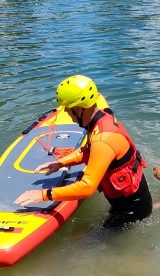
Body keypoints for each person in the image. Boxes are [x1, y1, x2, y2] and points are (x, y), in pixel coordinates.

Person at [14, 75, 153, 229]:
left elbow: (87, 187)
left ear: (78, 109)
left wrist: (43, 195)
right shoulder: (102, 120)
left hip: (132, 212)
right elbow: (88, 152)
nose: (67, 115)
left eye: (68, 110)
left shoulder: (103, 139)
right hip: (128, 204)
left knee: (90, 244)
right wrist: (60, 163)